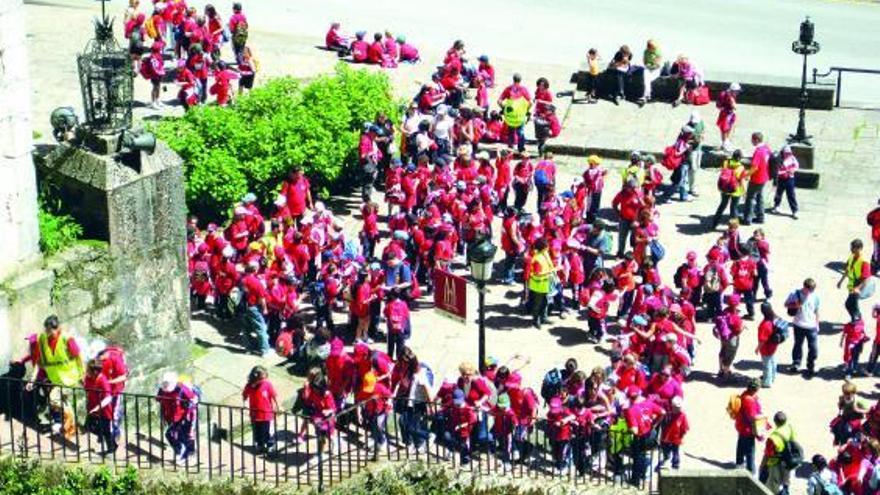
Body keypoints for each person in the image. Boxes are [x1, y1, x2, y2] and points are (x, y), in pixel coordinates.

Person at [26, 315, 85, 436]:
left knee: (54, 398)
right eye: (46, 330)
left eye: (50, 330)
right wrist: (32, 380)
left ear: (57, 328)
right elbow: (40, 361)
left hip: (70, 376)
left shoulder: (67, 338)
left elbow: (78, 356)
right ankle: (71, 427)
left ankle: (70, 426)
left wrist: (82, 374)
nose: (48, 333)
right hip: (55, 378)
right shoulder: (42, 339)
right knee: (63, 402)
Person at [156, 372, 198, 465]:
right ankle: (181, 452)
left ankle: (189, 455)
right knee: (171, 435)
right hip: (172, 417)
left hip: (185, 416)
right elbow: (158, 399)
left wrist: (189, 408)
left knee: (187, 436)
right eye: (164, 384)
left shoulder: (182, 389)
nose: (165, 386)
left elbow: (194, 399)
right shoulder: (162, 390)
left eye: (167, 384)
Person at [785, 278, 821, 379]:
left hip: (811, 326)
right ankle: (796, 363)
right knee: (798, 345)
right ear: (804, 287)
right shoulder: (795, 294)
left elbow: (817, 311)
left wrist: (817, 324)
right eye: (809, 290)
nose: (810, 292)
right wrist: (795, 305)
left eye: (812, 290)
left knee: (813, 348)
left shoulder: (815, 296)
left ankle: (811, 365)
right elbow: (786, 304)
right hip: (798, 325)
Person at [242, 365, 279, 455]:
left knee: (266, 431)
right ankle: (260, 444)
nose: (264, 380)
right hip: (254, 414)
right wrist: (245, 404)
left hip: (266, 414)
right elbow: (245, 395)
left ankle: (270, 445)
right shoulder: (249, 386)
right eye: (262, 378)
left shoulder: (267, 384)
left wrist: (277, 406)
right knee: (257, 431)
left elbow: (274, 396)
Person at [84, 359, 117, 457]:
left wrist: (98, 407)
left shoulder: (102, 380)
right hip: (92, 409)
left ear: (94, 371)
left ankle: (111, 449)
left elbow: (108, 398)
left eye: (88, 370)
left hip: (104, 411)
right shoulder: (89, 378)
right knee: (88, 426)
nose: (86, 372)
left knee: (106, 431)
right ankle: (103, 438)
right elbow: (86, 388)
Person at [734, 378, 766, 475]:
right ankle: (751, 470)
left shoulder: (745, 394)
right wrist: (760, 431)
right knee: (750, 450)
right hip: (748, 429)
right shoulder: (749, 400)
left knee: (740, 445)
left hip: (741, 426)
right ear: (756, 389)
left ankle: (739, 464)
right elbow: (753, 418)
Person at [760, 411, 796, 495]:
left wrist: (762, 466)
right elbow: (793, 442)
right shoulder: (789, 428)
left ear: (775, 422)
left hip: (775, 464)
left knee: (773, 486)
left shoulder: (773, 437)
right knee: (785, 484)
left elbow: (767, 454)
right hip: (787, 462)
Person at [240, 261, 271, 356]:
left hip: (245, 307)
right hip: (254, 308)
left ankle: (248, 348)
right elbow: (262, 298)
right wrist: (265, 309)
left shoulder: (243, 280)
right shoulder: (257, 283)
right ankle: (264, 350)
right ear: (255, 269)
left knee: (246, 328)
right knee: (261, 328)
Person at [711, 150, 747, 229]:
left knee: (722, 205)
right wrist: (744, 192)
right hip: (736, 190)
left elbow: (723, 173)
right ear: (740, 158)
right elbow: (741, 181)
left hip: (725, 188)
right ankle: (733, 228)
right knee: (734, 209)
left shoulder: (726, 162)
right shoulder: (741, 167)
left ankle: (714, 223)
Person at [838, 239, 871, 323]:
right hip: (852, 286)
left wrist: (858, 288)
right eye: (851, 247)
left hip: (858, 286)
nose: (851, 249)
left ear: (860, 248)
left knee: (849, 304)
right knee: (853, 305)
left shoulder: (864, 262)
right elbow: (848, 270)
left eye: (853, 248)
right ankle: (856, 319)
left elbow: (867, 279)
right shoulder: (851, 257)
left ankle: (857, 321)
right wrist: (841, 281)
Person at [743, 132, 772, 225]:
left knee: (750, 198)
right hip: (764, 176)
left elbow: (754, 167)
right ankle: (760, 217)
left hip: (757, 178)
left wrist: (747, 175)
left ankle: (747, 219)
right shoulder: (767, 148)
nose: (751, 141)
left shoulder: (758, 151)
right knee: (760, 197)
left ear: (756, 140)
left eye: (752, 139)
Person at [498, 74, 531, 153]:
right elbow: (530, 102)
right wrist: (526, 110)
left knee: (511, 134)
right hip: (520, 117)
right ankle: (521, 149)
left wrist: (504, 109)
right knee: (521, 133)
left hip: (510, 117)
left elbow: (499, 101)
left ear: (513, 80)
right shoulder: (524, 90)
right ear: (520, 80)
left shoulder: (508, 89)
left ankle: (510, 149)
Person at [528, 238, 555, 329]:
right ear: (543, 248)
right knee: (537, 304)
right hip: (538, 285)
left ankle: (544, 317)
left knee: (545, 302)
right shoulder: (537, 258)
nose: (548, 248)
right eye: (547, 246)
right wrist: (551, 272)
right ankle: (536, 320)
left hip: (545, 284)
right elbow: (537, 273)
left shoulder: (545, 254)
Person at [657, 396, 688, 471]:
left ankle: (675, 464)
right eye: (676, 407)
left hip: (676, 438)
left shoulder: (682, 416)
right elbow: (662, 425)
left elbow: (684, 427)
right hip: (666, 437)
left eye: (679, 407)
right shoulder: (667, 414)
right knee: (665, 450)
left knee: (675, 451)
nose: (677, 409)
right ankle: (666, 458)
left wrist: (682, 436)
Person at [756, 302, 782, 388]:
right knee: (773, 362)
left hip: (766, 348)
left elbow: (762, 340)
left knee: (766, 365)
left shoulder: (765, 325)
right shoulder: (774, 319)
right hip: (773, 346)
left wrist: (757, 348)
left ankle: (767, 382)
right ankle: (772, 377)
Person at [769, 145, 799, 219]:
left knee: (791, 195)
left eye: (789, 153)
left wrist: (793, 170)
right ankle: (776, 206)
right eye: (786, 153)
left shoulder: (792, 158)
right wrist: (784, 172)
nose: (787, 154)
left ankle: (794, 210)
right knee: (778, 193)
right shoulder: (779, 159)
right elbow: (776, 171)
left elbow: (796, 165)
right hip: (781, 179)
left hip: (789, 179)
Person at [716, 83, 741, 151]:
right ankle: (724, 143)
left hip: (730, 114)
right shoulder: (728, 96)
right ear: (733, 90)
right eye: (737, 91)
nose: (738, 93)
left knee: (729, 127)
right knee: (724, 129)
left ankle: (726, 141)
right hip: (725, 114)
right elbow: (734, 106)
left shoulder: (731, 95)